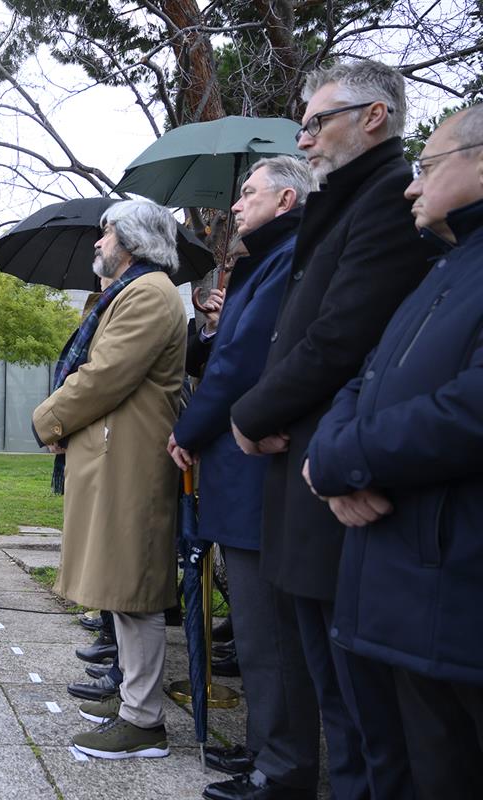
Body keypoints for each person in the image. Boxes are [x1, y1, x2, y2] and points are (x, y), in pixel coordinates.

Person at [229, 60, 432, 800]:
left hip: (332, 466)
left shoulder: (385, 197)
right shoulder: (348, 200)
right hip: (304, 461)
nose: (305, 139)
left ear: (373, 116)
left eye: (317, 122)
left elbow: (342, 335)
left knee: (355, 706)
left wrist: (250, 414)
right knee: (329, 679)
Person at [305, 103, 483, 800]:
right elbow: (364, 377)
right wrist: (332, 460)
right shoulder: (443, 269)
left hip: (447, 601)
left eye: (428, 167)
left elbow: (468, 409)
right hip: (386, 596)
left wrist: (348, 461)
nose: (412, 186)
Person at [168, 156, 323, 800]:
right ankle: (266, 748)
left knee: (270, 632)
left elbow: (238, 364)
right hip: (241, 468)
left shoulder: (285, 260)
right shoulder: (268, 260)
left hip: (254, 467)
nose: (236, 206)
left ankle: (282, 769)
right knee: (258, 630)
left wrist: (188, 429)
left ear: (286, 199)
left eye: (248, 193)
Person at [32, 199, 186, 760]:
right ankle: (131, 700)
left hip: (133, 460)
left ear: (133, 240)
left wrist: (47, 418)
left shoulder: (147, 294)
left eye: (106, 232)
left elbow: (103, 378)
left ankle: (143, 721)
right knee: (123, 587)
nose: (97, 243)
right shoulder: (131, 292)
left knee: (135, 586)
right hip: (118, 456)